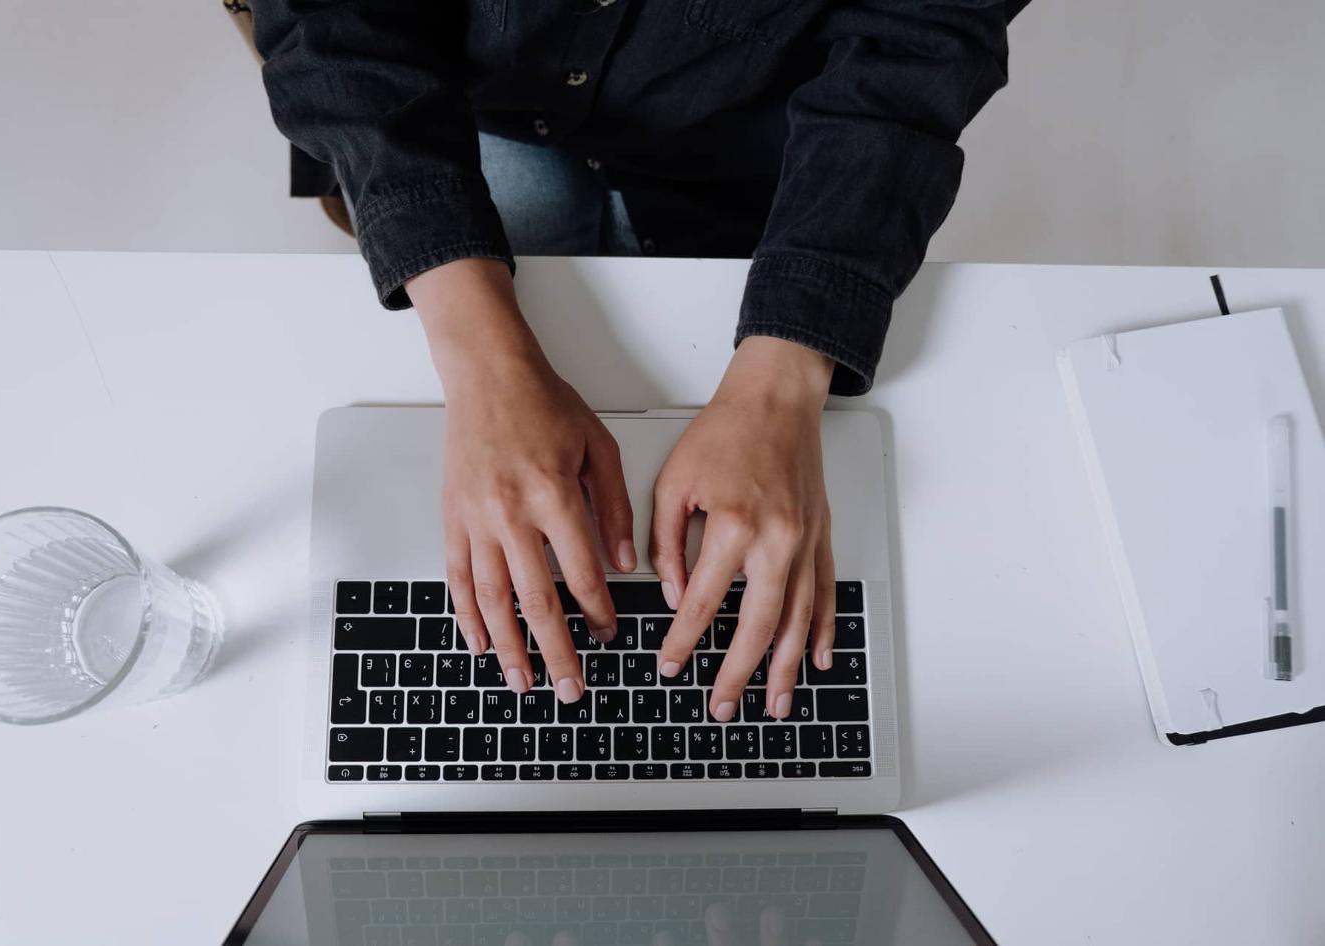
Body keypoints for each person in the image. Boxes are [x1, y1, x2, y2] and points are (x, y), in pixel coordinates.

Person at [249, 1, 1021, 722]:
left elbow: (921, 40)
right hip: (466, 95)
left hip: (742, 129)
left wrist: (780, 386)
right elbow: (328, 18)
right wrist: (483, 364)